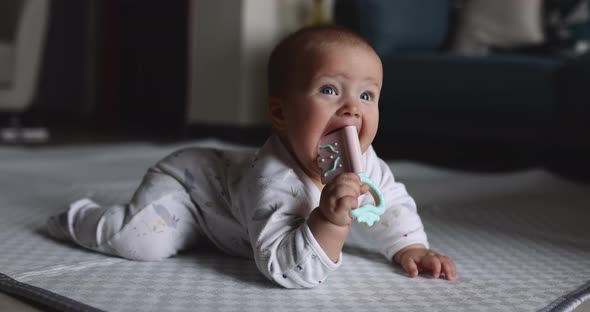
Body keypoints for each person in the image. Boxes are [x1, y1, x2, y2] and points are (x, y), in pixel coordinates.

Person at [47, 25, 456, 288]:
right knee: (143, 242)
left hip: (226, 193)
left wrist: (410, 247)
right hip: (189, 190)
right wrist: (328, 222)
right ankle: (76, 218)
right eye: (330, 90)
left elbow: (390, 204)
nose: (352, 107)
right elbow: (283, 268)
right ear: (280, 113)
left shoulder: (367, 166)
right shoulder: (274, 179)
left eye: (367, 95)